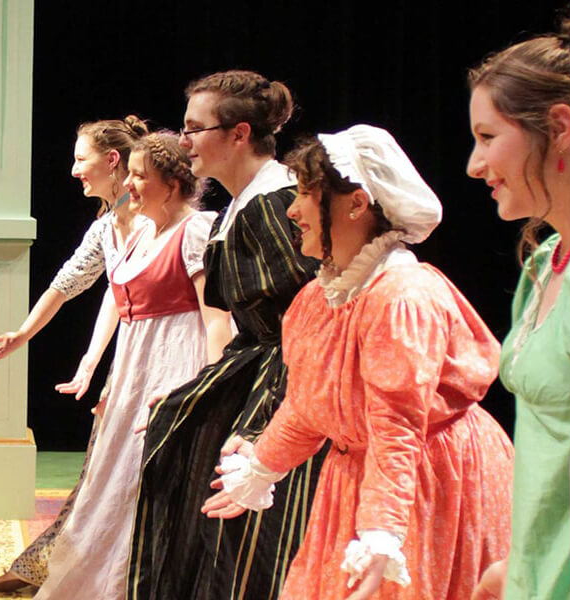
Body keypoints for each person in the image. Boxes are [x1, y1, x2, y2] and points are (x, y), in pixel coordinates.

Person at [206, 125, 514, 600]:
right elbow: (309, 403)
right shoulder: (319, 297)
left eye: (306, 195)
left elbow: (397, 427)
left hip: (423, 476)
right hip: (359, 473)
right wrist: (263, 465)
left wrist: (382, 531)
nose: (292, 210)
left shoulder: (401, 297)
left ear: (355, 203)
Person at [127, 70, 322, 600]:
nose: (183, 141)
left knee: (250, 534)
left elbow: (305, 329)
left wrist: (263, 422)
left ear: (238, 134)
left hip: (288, 386)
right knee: (179, 452)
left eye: (195, 129)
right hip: (257, 367)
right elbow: (243, 329)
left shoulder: (275, 205)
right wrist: (198, 386)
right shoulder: (237, 210)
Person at [36, 132, 229, 600]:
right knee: (112, 478)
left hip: (176, 361)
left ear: (173, 182)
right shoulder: (140, 231)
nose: (132, 184)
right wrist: (96, 367)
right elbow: (117, 301)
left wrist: (205, 391)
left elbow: (217, 320)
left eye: (141, 176)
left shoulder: (196, 229)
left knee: (145, 478)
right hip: (135, 363)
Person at [0, 116, 150, 593]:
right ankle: (55, 564)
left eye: (81, 159)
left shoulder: (157, 218)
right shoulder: (105, 227)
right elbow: (73, 285)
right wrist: (29, 337)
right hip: (133, 357)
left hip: (168, 353)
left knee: (128, 469)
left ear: (112, 160)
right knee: (106, 469)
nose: (74, 170)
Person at [466, 5, 570, 598]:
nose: (474, 165)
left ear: (560, 126)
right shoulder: (544, 266)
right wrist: (515, 560)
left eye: (488, 137)